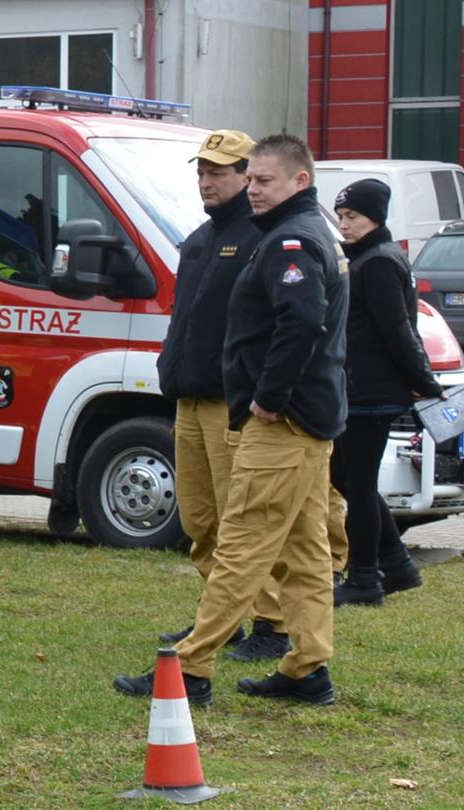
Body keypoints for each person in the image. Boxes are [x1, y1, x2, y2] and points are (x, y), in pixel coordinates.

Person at [115, 134, 347, 705]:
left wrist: (268, 398)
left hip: (284, 424)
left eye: (264, 180)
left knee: (241, 543)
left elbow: (300, 325)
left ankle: (192, 669)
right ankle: (307, 668)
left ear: (300, 180)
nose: (254, 189)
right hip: (306, 422)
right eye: (254, 179)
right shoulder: (297, 234)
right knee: (306, 549)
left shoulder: (292, 238)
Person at [153, 129, 292, 660]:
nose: (207, 181)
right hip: (190, 399)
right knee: (200, 519)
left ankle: (271, 624)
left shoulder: (261, 239)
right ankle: (221, 617)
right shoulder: (199, 240)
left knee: (245, 521)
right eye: (202, 172)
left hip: (232, 406)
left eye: (219, 172)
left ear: (245, 176)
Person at [330, 178, 443, 606]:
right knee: (345, 477)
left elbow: (398, 331)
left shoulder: (378, 261)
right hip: (361, 388)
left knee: (356, 483)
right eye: (341, 216)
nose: (345, 225)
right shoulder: (369, 256)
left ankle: (364, 578)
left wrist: (425, 382)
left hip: (371, 392)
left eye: (353, 217)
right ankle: (395, 564)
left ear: (376, 217)